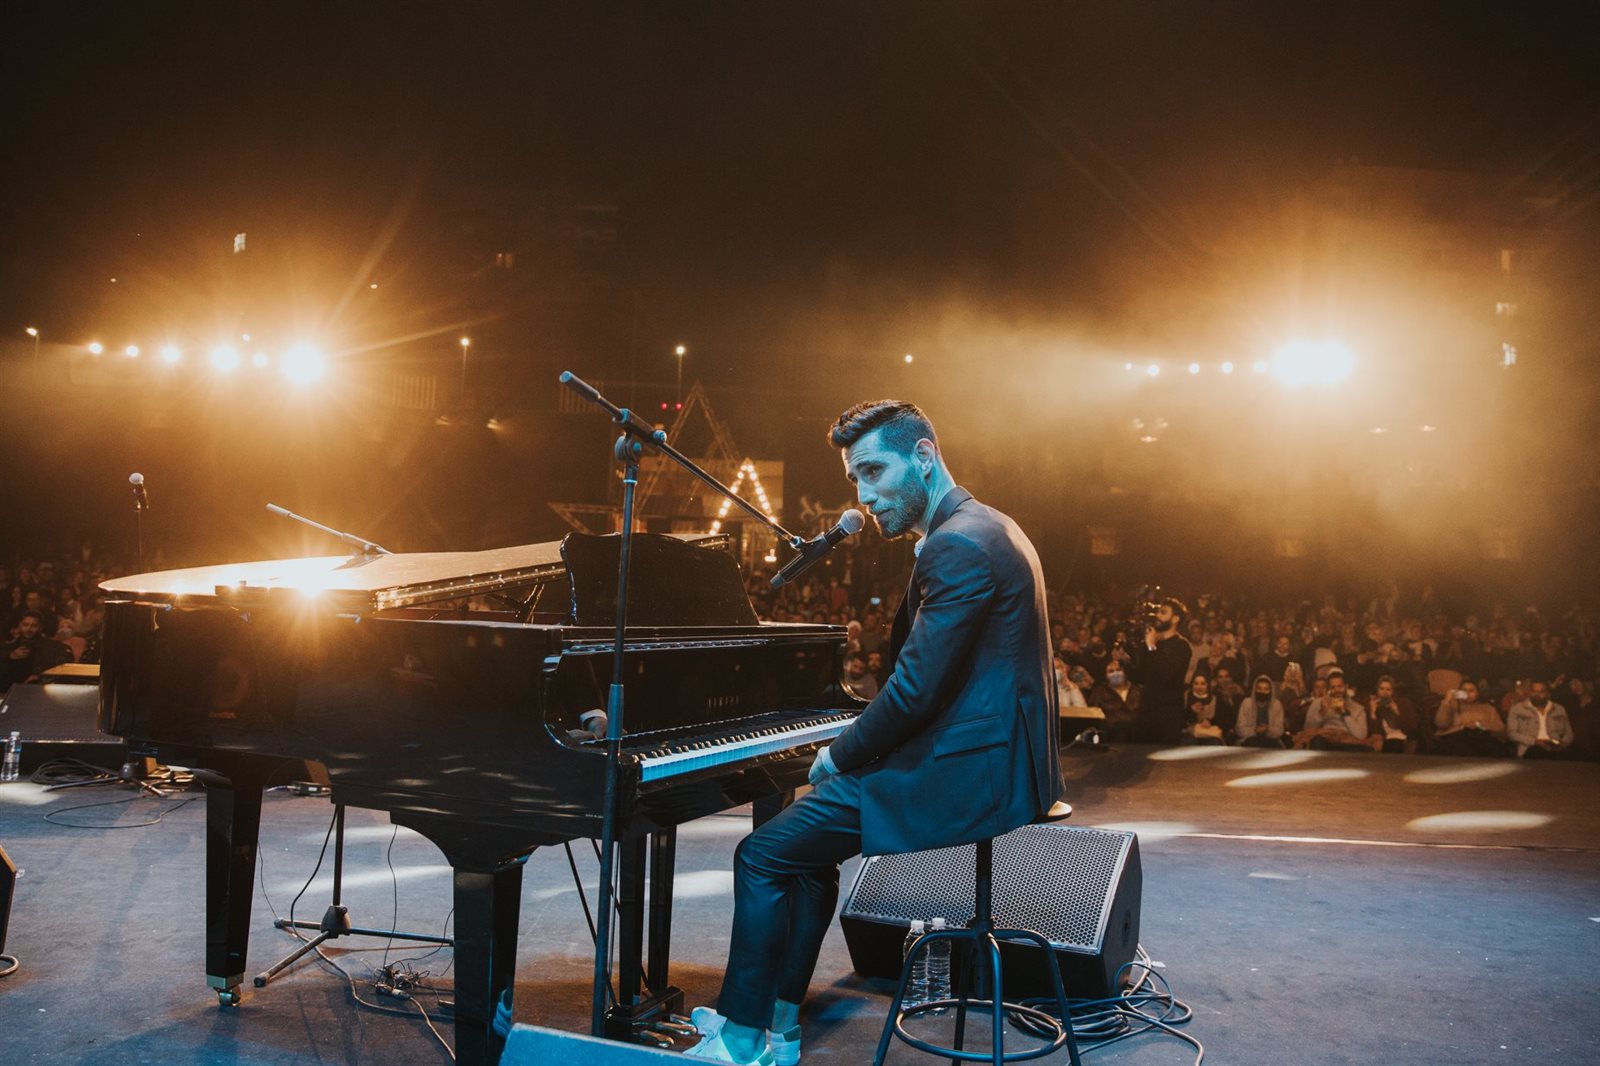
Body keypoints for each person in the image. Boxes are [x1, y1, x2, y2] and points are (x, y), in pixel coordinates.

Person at [686, 400, 1063, 1065]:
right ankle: (780, 1026)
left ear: (924, 456)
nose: (863, 496)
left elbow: (915, 691)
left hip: (966, 770)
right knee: (805, 854)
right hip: (990, 755)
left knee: (762, 855)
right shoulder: (987, 525)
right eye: (854, 479)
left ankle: (741, 1043)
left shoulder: (957, 544)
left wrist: (838, 753)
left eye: (873, 471)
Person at [1125, 596, 1192, 744]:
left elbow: (1166, 673)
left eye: (1163, 612)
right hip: (1147, 710)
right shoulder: (1151, 643)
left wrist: (1151, 646)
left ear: (1175, 619)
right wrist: (1124, 663)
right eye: (1158, 612)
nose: (1158, 616)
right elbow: (1139, 677)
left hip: (1168, 714)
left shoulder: (1182, 646)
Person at [1432, 680, 1507, 757]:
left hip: (1481, 738)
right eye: (1464, 690)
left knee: (1492, 746)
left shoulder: (1487, 708)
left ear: (1477, 693)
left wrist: (1478, 724)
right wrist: (1447, 701)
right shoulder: (1452, 705)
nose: (1467, 693)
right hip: (1457, 739)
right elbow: (1441, 724)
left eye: (1471, 691)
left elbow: (1500, 727)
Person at [1505, 679, 1575, 758]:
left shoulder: (1559, 709)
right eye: (1534, 691)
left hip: (1555, 750)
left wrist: (1562, 744)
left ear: (1548, 693)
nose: (1537, 694)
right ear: (1529, 692)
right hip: (1529, 750)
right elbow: (1511, 734)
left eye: (1541, 692)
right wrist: (1535, 742)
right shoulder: (1518, 709)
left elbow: (1569, 734)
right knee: (1536, 752)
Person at [1234, 674, 1287, 747]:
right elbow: (1240, 729)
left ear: (1270, 691)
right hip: (1249, 740)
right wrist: (1255, 730)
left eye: (1266, 689)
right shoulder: (1246, 703)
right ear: (1254, 689)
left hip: (1272, 742)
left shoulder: (1277, 705)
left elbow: (1279, 730)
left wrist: (1267, 729)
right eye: (1259, 688)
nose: (1262, 691)